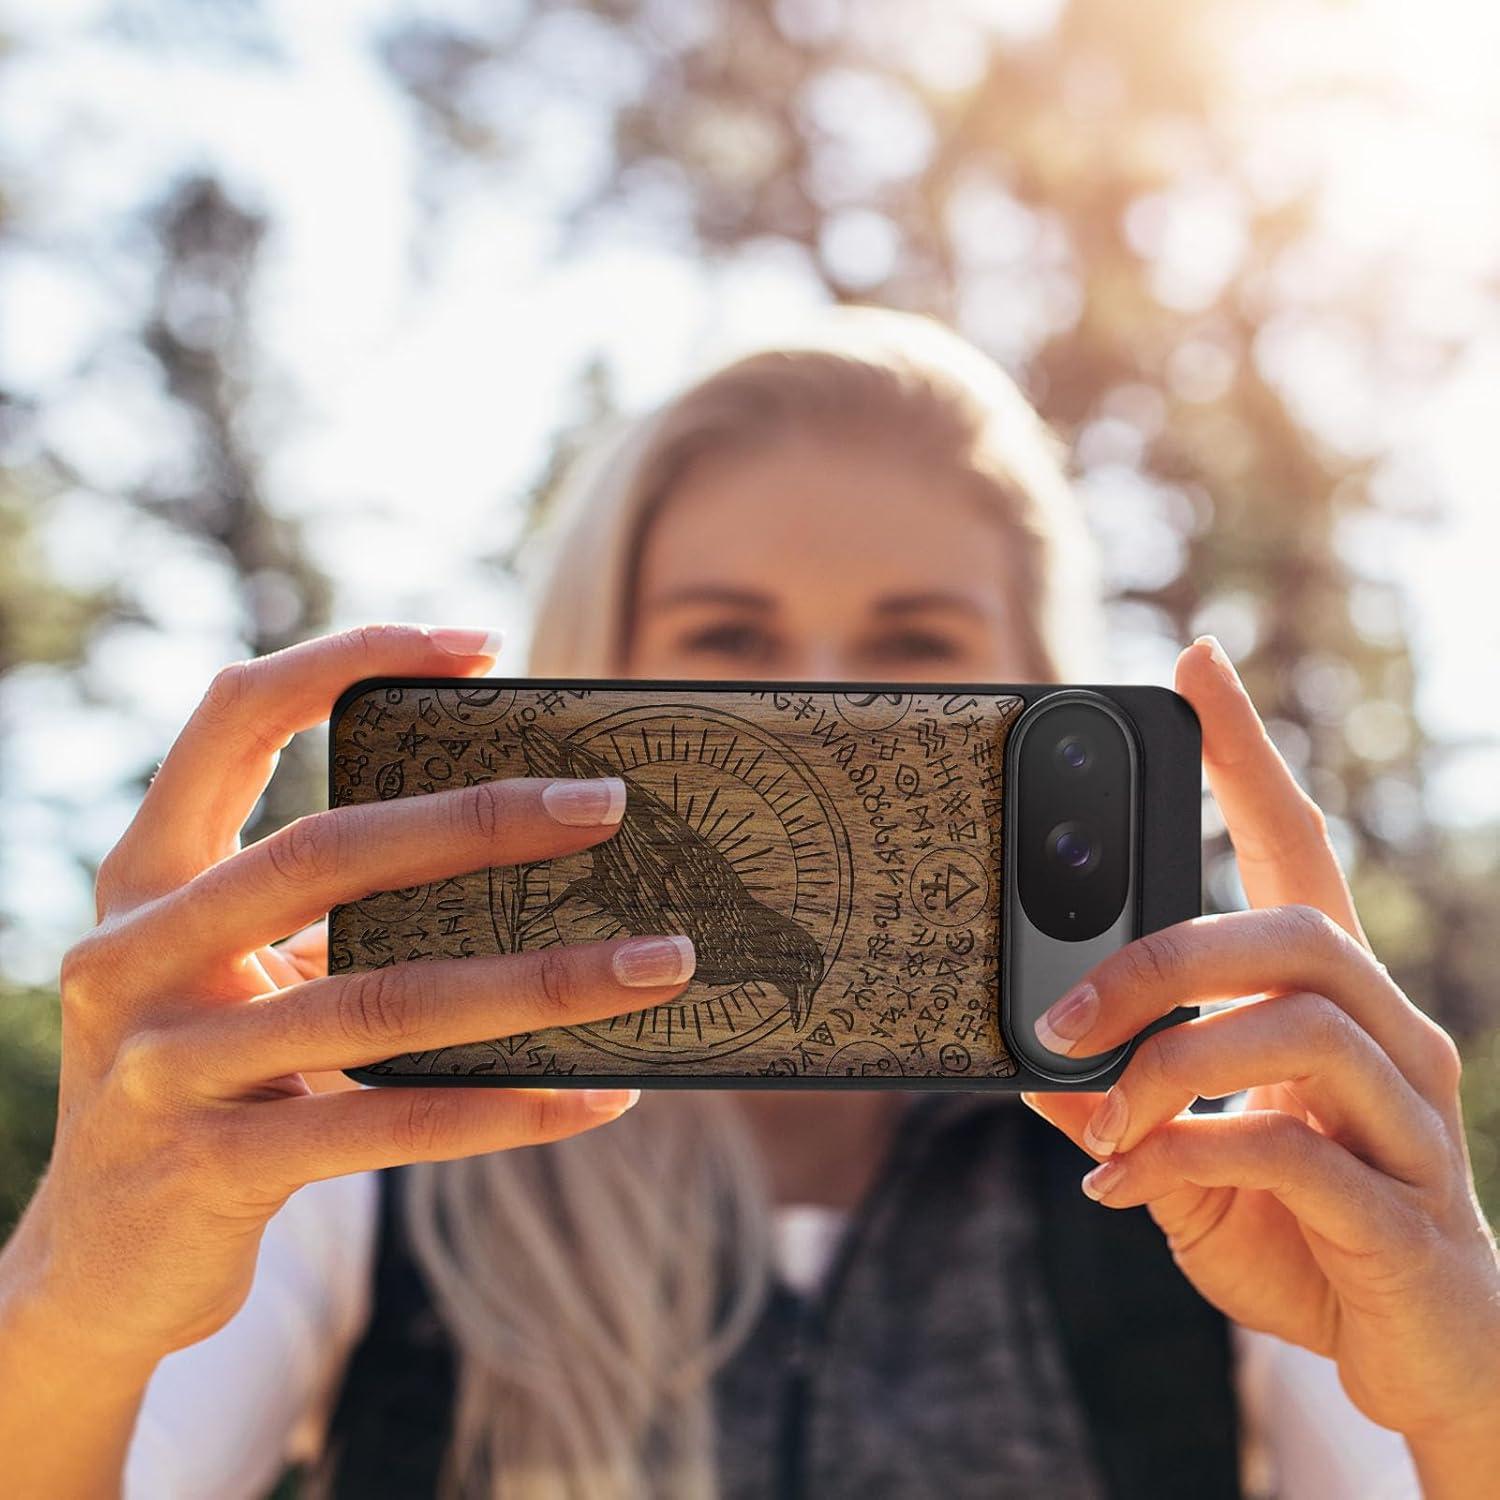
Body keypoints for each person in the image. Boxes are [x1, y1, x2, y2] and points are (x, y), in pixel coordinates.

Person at [1, 310, 1496, 1500]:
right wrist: (75, 1297)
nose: (828, 698)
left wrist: (1469, 1389)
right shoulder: (366, 1148)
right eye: (727, 640)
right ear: (599, 673)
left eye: (916, 645)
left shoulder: (1217, 1168)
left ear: (1044, 694)